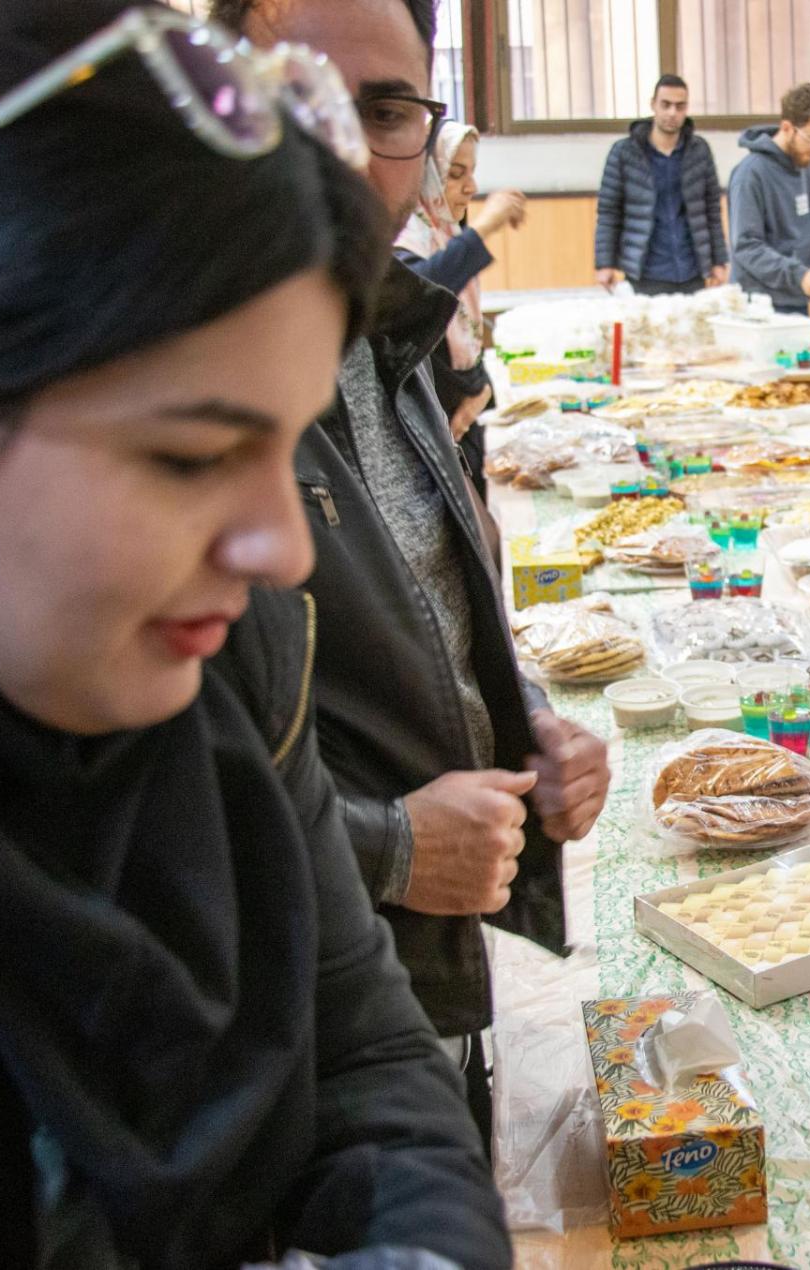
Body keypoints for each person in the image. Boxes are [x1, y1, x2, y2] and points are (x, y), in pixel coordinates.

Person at [0, 1, 511, 1266]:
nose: (281, 550)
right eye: (189, 456)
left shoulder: (223, 668)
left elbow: (366, 1052)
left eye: (285, 441)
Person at [218, 0, 611, 1148]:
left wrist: (523, 721)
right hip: (279, 1031)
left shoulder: (390, 331)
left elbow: (428, 595)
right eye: (300, 99)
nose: (346, 152)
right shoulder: (172, 364)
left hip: (419, 987)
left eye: (386, 112)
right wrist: (390, 845)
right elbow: (156, 783)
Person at [396, 121, 526, 496]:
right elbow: (425, 294)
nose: (470, 186)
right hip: (439, 422)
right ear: (426, 175)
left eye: (471, 172)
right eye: (455, 174)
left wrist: (481, 388)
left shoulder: (443, 231)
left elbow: (465, 337)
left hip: (463, 409)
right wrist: (484, 227)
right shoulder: (406, 237)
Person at [728, 82, 810, 314]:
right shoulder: (750, 175)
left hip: (796, 296)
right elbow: (747, 246)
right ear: (787, 128)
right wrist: (799, 275)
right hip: (757, 305)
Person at [594, 74, 729, 297]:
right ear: (653, 105)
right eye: (665, 105)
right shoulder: (624, 152)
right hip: (645, 272)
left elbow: (711, 210)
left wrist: (718, 261)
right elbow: (609, 211)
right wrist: (604, 263)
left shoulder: (700, 151)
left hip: (692, 271)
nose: (672, 113)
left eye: (680, 106)